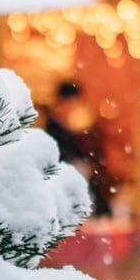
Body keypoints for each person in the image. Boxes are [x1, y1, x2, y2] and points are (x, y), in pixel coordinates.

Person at [42, 80, 110, 215]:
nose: (70, 108)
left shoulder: (84, 127)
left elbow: (94, 154)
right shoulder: (53, 127)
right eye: (67, 104)